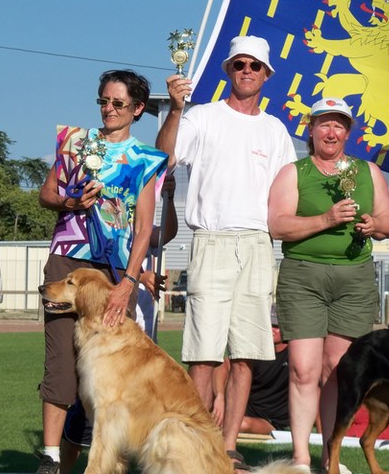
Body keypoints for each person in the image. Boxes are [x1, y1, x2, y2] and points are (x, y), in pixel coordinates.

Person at [156, 35, 297, 472]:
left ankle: (229, 445)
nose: (247, 71)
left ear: (267, 74)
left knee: (246, 355)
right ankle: (201, 445)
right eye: (239, 64)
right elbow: (164, 157)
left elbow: (289, 193)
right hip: (212, 241)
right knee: (203, 353)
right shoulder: (202, 116)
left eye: (255, 65)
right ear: (228, 69)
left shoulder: (275, 130)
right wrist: (176, 108)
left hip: (258, 244)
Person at [35, 70, 167, 474]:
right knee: (60, 362)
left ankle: (109, 459)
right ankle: (51, 459)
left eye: (118, 104)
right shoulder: (76, 142)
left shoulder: (146, 159)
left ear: (138, 109)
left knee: (114, 369)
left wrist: (129, 281)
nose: (108, 110)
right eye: (103, 102)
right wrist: (70, 202)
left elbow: (145, 228)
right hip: (68, 261)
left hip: (113, 273)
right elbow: (46, 194)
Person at [267, 97, 389, 470]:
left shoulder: (367, 171)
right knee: (303, 370)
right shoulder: (294, 172)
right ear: (311, 129)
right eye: (324, 123)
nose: (331, 131)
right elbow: (278, 225)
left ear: (348, 133)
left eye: (339, 125)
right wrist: (326, 218)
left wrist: (375, 225)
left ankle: (331, 456)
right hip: (303, 275)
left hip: (354, 279)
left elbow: (387, 222)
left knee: (337, 371)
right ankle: (301, 458)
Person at [58, 175, 178, 474]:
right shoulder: (99, 239)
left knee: (115, 411)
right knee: (86, 411)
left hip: (133, 333)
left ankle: (111, 464)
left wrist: (171, 199)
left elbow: (165, 234)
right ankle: (64, 466)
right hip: (106, 334)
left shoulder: (136, 231)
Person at [212, 305, 291, 436]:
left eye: (276, 326)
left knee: (241, 424)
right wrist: (219, 396)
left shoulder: (296, 355)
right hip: (244, 410)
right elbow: (222, 366)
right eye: (268, 324)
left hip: (271, 421)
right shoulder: (256, 349)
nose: (271, 329)